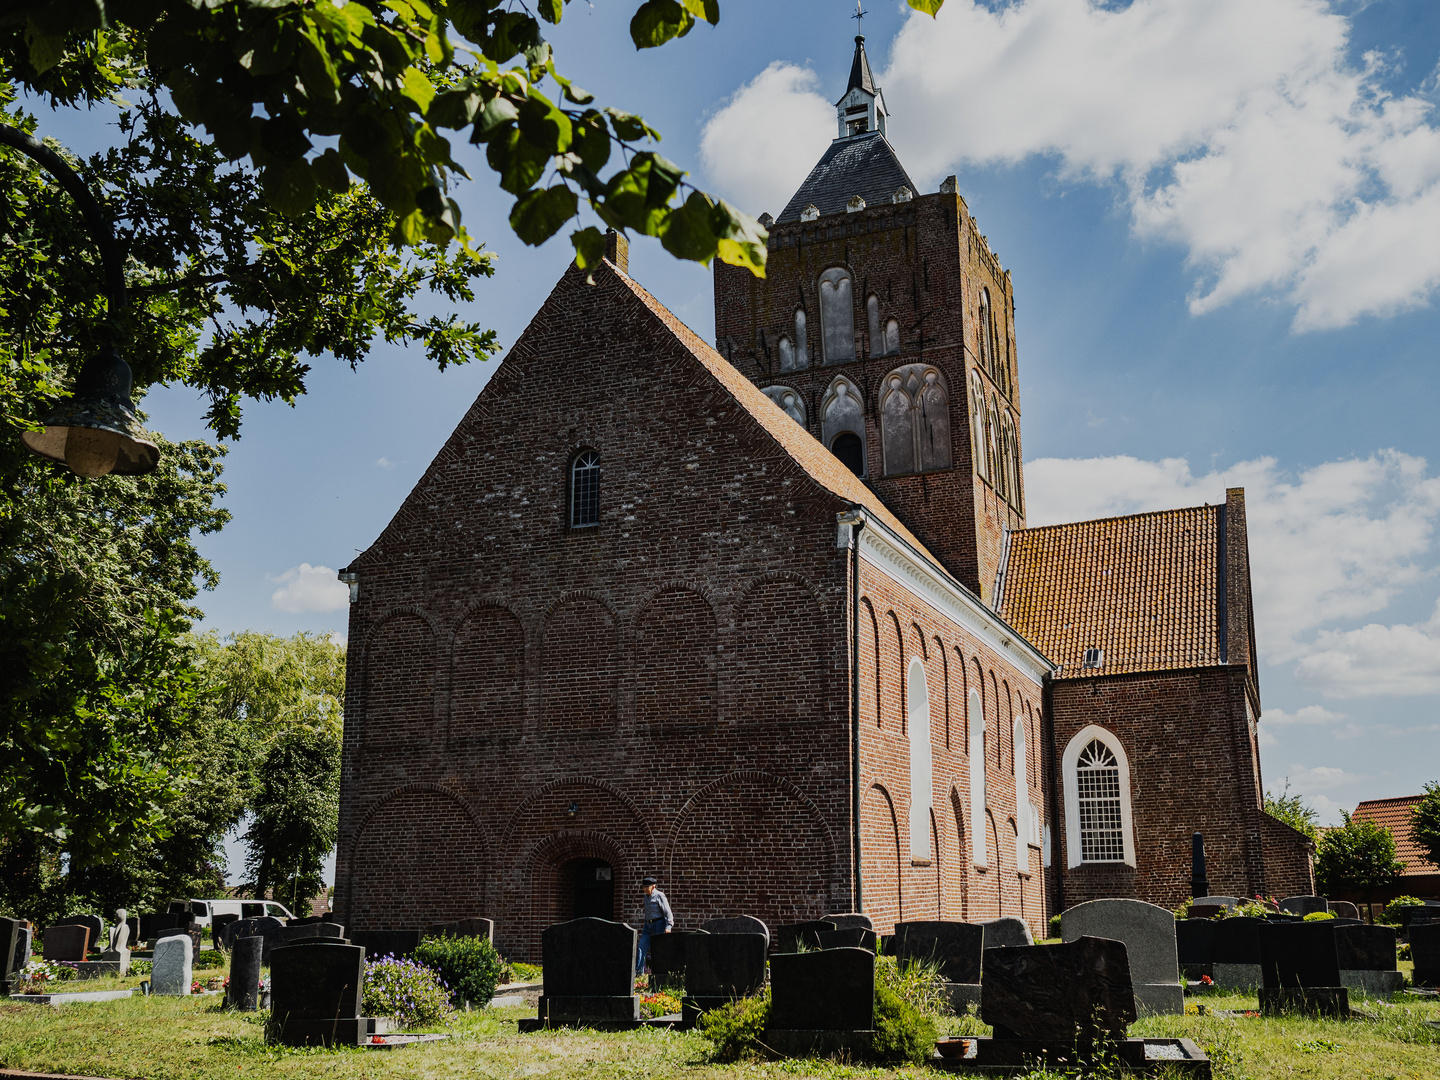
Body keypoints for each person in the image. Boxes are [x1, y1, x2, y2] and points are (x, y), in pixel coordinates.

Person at [636, 875, 673, 976]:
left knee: (658, 949)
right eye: (643, 887)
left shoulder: (660, 896)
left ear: (653, 886)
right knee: (641, 947)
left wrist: (668, 926)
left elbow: (667, 912)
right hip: (647, 925)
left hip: (659, 924)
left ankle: (659, 974)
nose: (644, 889)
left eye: (647, 887)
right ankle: (639, 973)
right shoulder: (645, 896)